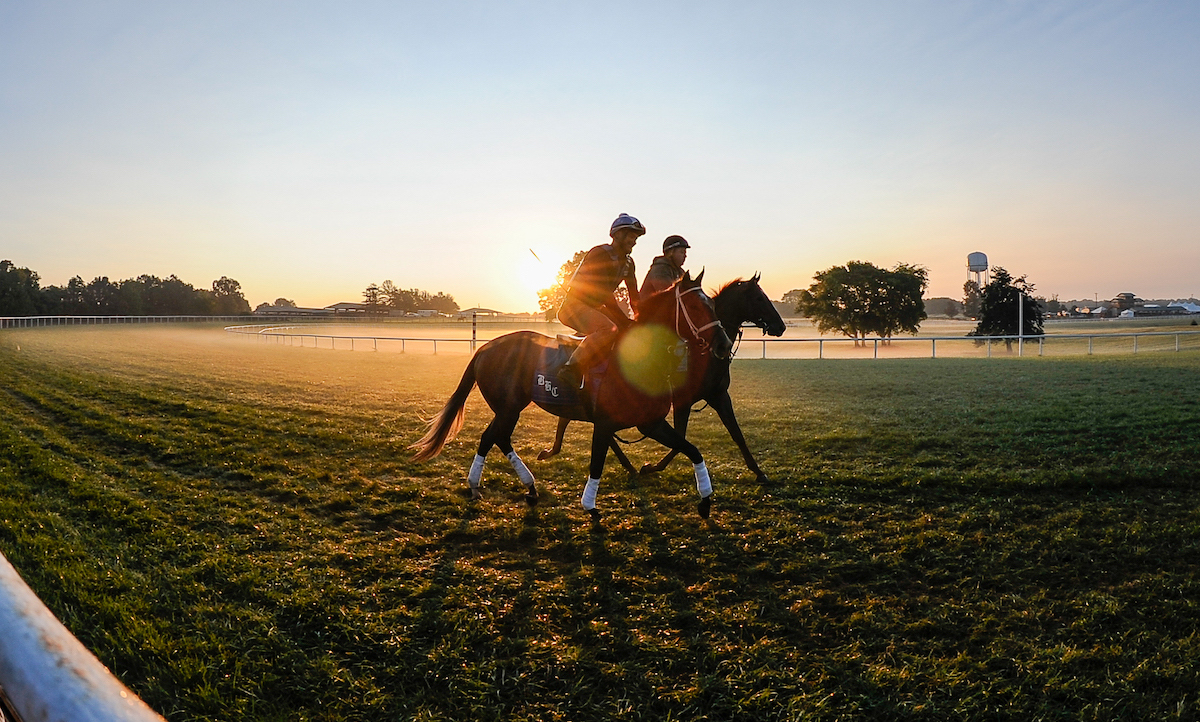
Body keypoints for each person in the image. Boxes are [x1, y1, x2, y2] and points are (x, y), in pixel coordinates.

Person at [557, 213, 644, 389]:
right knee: (608, 329)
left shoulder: (629, 263)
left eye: (636, 237)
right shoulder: (600, 253)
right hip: (573, 307)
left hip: (596, 308)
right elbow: (604, 293)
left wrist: (641, 318)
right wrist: (623, 320)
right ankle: (570, 369)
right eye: (631, 236)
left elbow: (634, 295)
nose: (634, 241)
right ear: (618, 235)